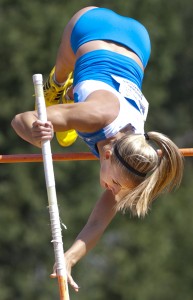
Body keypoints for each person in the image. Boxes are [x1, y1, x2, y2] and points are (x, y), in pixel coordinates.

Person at [11, 6, 184, 292]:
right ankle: (59, 89)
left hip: (140, 41)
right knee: (61, 76)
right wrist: (33, 131)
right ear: (105, 154)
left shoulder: (139, 155)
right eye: (114, 184)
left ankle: (69, 97)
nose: (112, 189)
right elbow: (20, 119)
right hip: (89, 26)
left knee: (67, 119)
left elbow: (97, 223)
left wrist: (69, 259)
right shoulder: (97, 116)